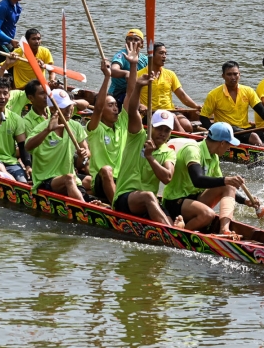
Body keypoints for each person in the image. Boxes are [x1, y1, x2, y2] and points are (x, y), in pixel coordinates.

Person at [162, 122, 260, 236]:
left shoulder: (214, 157)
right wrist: (226, 179)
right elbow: (197, 180)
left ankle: (224, 230)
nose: (229, 148)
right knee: (208, 215)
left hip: (195, 199)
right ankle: (180, 233)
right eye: (229, 144)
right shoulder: (193, 150)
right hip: (175, 201)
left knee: (228, 186)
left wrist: (245, 201)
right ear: (222, 143)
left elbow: (222, 184)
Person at [112, 64, 176, 224]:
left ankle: (177, 229)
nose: (162, 133)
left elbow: (167, 178)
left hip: (148, 201)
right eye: (159, 128)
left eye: (167, 130)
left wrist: (150, 157)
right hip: (124, 198)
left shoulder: (168, 152)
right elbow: (132, 110)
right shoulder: (138, 135)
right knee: (148, 196)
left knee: (171, 213)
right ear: (151, 127)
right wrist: (139, 86)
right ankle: (174, 236)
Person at [25, 89, 90, 201]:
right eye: (64, 107)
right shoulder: (42, 128)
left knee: (90, 181)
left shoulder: (75, 126)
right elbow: (28, 147)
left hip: (71, 178)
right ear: (52, 109)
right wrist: (47, 131)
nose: (69, 109)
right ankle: (85, 211)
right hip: (45, 178)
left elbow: (86, 154)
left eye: (70, 105)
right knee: (69, 178)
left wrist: (83, 155)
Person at [199, 61, 264, 146]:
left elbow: (260, 109)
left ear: (239, 74)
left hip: (245, 128)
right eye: (229, 74)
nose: (233, 77)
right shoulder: (214, 95)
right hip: (227, 130)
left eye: (235, 74)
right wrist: (214, 132)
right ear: (223, 76)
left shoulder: (248, 91)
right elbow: (203, 117)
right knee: (254, 137)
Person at [85, 59, 129, 205]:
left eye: (116, 105)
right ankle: (117, 208)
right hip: (101, 180)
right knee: (106, 169)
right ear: (102, 110)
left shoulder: (122, 123)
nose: (116, 108)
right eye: (111, 105)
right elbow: (97, 108)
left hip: (121, 179)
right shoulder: (95, 128)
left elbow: (130, 96)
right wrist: (107, 77)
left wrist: (133, 67)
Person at [137, 42, 201, 132]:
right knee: (174, 119)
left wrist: (196, 106)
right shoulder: (139, 75)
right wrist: (140, 105)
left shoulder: (170, 74)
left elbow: (182, 95)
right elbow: (132, 95)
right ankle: (187, 141)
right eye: (161, 53)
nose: (164, 56)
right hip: (150, 113)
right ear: (151, 55)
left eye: (165, 53)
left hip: (170, 110)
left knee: (188, 126)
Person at [110, 29, 148, 105]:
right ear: (126, 42)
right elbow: (113, 70)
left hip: (138, 91)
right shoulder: (121, 55)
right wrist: (126, 73)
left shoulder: (145, 59)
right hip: (119, 92)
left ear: (142, 44)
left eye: (136, 39)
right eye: (130, 39)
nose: (133, 42)